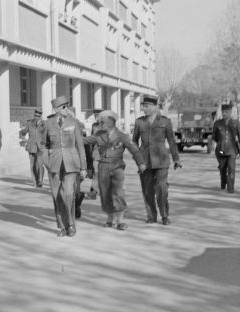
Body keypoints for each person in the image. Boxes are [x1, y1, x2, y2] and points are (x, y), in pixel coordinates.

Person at [83, 110, 146, 230]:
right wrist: (71, 137)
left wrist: (141, 163)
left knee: (118, 192)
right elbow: (85, 141)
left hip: (117, 166)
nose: (101, 123)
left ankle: (120, 220)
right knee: (105, 193)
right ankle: (110, 219)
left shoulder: (122, 135)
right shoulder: (99, 135)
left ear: (111, 121)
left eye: (103, 121)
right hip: (103, 166)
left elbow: (134, 150)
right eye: (100, 121)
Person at [39, 95, 87, 238]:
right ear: (56, 109)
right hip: (54, 164)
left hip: (71, 163)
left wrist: (83, 167)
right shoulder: (48, 124)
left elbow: (80, 146)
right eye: (63, 107)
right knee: (56, 195)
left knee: (68, 194)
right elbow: (42, 144)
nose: (67, 109)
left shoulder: (74, 123)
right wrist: (46, 159)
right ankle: (61, 226)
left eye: (68, 106)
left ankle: (71, 224)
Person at [132, 96, 182, 226]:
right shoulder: (139, 122)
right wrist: (139, 161)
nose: (144, 108)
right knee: (147, 191)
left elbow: (171, 142)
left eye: (147, 106)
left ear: (155, 107)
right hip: (145, 162)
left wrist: (176, 159)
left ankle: (164, 215)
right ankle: (151, 215)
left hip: (161, 160)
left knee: (162, 188)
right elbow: (134, 143)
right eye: (143, 106)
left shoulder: (165, 121)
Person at [212, 103, 240, 193]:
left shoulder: (235, 122)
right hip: (221, 150)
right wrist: (214, 145)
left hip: (232, 150)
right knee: (222, 168)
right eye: (223, 111)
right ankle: (223, 182)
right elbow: (214, 136)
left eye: (227, 111)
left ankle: (230, 188)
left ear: (230, 112)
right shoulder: (217, 123)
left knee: (231, 168)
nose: (225, 113)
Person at [19, 108, 46, 187]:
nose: (37, 117)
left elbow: (45, 135)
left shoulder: (44, 124)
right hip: (31, 146)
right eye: (35, 115)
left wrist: (45, 145)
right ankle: (35, 181)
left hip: (40, 146)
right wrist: (22, 133)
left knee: (40, 164)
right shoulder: (29, 123)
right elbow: (23, 133)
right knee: (33, 165)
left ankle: (40, 180)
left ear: (41, 116)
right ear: (34, 115)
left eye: (38, 116)